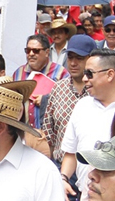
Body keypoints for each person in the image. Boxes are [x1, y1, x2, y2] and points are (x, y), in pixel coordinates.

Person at [59, 48, 115, 201]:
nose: (84, 79)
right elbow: (71, 152)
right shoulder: (82, 106)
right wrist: (63, 178)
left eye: (90, 73)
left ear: (110, 74)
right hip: (87, 199)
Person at [41, 35, 95, 163]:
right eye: (70, 57)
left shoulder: (98, 90)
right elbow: (49, 133)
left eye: (79, 58)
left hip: (91, 166)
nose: (73, 63)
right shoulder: (58, 88)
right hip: (61, 165)